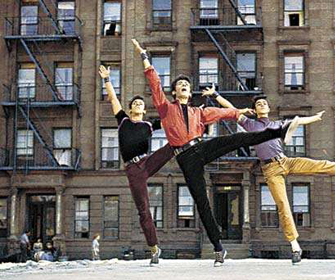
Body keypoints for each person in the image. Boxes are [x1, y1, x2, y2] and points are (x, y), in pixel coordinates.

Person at [133, 39, 301, 267]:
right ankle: (219, 249)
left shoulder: (197, 112)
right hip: (185, 158)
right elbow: (154, 85)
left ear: (190, 92)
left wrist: (238, 111)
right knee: (202, 202)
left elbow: (223, 114)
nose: (184, 85)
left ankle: (279, 131)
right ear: (174, 91)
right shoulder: (166, 108)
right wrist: (145, 58)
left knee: (237, 138)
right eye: (180, 84)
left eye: (186, 84)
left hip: (201, 147)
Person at [205, 91, 335, 265]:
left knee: (320, 165)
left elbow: (298, 122)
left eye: (264, 103)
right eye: (259, 103)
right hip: (270, 169)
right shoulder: (250, 124)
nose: (262, 104)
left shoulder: (277, 123)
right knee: (283, 205)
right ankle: (295, 246)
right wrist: (215, 95)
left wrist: (316, 118)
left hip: (286, 161)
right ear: (255, 109)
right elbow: (231, 109)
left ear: (268, 108)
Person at [98, 65, 175, 267]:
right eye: (136, 103)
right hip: (134, 170)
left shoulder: (149, 125)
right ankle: (154, 248)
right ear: (131, 108)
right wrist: (107, 80)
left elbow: (170, 119)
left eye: (142, 103)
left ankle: (192, 142)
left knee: (175, 143)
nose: (139, 104)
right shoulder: (123, 120)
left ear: (144, 109)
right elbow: (114, 100)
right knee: (144, 211)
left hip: (147, 161)